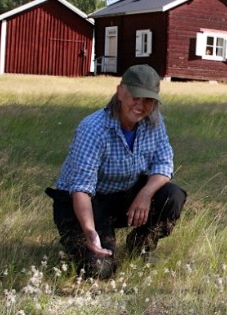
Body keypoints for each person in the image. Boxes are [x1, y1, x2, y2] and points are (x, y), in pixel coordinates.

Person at [46, 64, 187, 279]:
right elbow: (81, 189)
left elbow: (164, 165)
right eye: (135, 97)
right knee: (99, 270)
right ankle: (78, 238)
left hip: (124, 196)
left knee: (172, 196)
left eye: (148, 100)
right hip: (84, 202)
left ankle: (140, 246)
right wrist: (90, 232)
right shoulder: (93, 128)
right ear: (121, 92)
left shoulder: (155, 123)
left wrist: (145, 194)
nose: (140, 106)